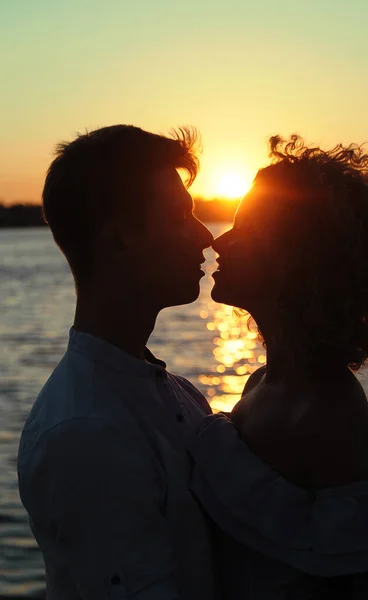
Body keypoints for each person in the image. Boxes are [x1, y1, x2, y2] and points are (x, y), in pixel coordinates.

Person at [188, 136, 368, 599]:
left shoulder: (326, 409)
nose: (219, 240)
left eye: (245, 228)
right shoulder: (262, 383)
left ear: (292, 256)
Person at [17, 125, 220, 600]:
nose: (205, 237)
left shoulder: (175, 393)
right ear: (118, 241)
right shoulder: (85, 432)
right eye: (180, 217)